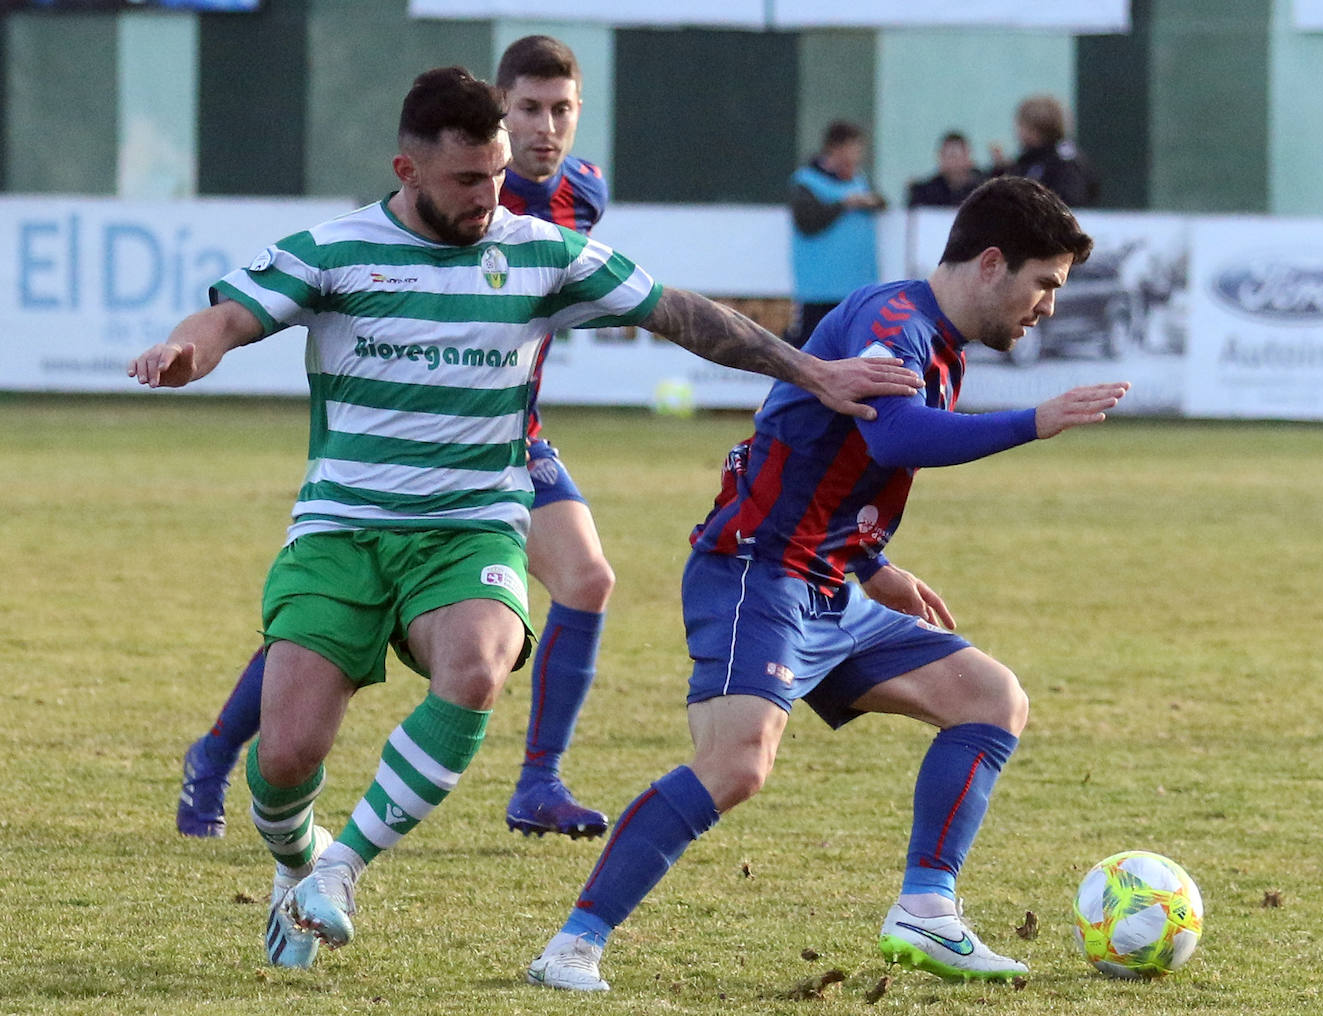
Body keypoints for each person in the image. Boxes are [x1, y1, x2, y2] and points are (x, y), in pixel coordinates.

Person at [130, 66, 921, 972]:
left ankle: (344, 868)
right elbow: (230, 315)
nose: (489, 196)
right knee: (283, 765)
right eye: (468, 179)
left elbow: (681, 314)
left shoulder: (539, 249)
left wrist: (813, 371)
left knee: (476, 668)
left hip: (470, 526)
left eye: (498, 173)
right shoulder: (335, 249)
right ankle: (297, 863)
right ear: (407, 169)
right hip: (342, 531)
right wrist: (188, 347)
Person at [526, 176, 1130, 992]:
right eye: (1045, 284)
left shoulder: (934, 337)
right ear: (993, 263)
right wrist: (1034, 420)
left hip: (828, 584)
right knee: (736, 765)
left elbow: (818, 445)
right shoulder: (894, 324)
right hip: (756, 573)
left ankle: (926, 911)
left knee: (991, 698)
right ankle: (572, 945)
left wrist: (875, 566)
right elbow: (896, 437)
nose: (1048, 307)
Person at [176, 35, 613, 843]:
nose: (545, 127)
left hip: (506, 440)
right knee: (320, 638)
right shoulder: (443, 192)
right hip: (400, 450)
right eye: (529, 108)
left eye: (562, 110)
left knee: (586, 578)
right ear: (500, 110)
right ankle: (216, 751)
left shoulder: (582, 196)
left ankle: (539, 782)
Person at [787, 120, 886, 347]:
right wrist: (844, 204)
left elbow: (881, 201)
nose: (857, 156)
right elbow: (807, 221)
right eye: (854, 148)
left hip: (857, 287)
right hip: (819, 289)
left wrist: (872, 202)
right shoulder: (806, 181)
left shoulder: (859, 179)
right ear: (835, 148)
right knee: (813, 349)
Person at [991, 95, 1100, 207]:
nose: (1017, 132)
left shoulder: (1064, 162)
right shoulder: (1029, 159)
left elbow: (1071, 199)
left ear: (1034, 129)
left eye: (1021, 125)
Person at [906, 131, 986, 208]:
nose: (954, 162)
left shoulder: (984, 189)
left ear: (969, 157)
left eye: (958, 156)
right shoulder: (926, 191)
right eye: (949, 156)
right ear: (940, 158)